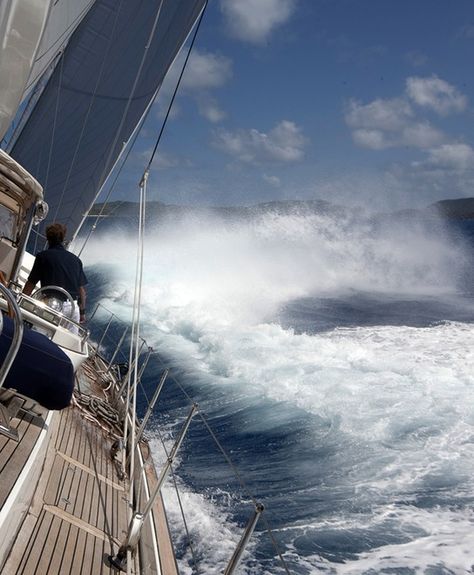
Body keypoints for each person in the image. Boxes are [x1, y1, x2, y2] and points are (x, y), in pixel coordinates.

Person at [23, 223, 87, 324]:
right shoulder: (76, 260)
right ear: (63, 238)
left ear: (47, 238)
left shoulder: (43, 257)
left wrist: (21, 302)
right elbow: (82, 291)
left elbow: (31, 283)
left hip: (51, 306)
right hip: (72, 308)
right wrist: (82, 313)